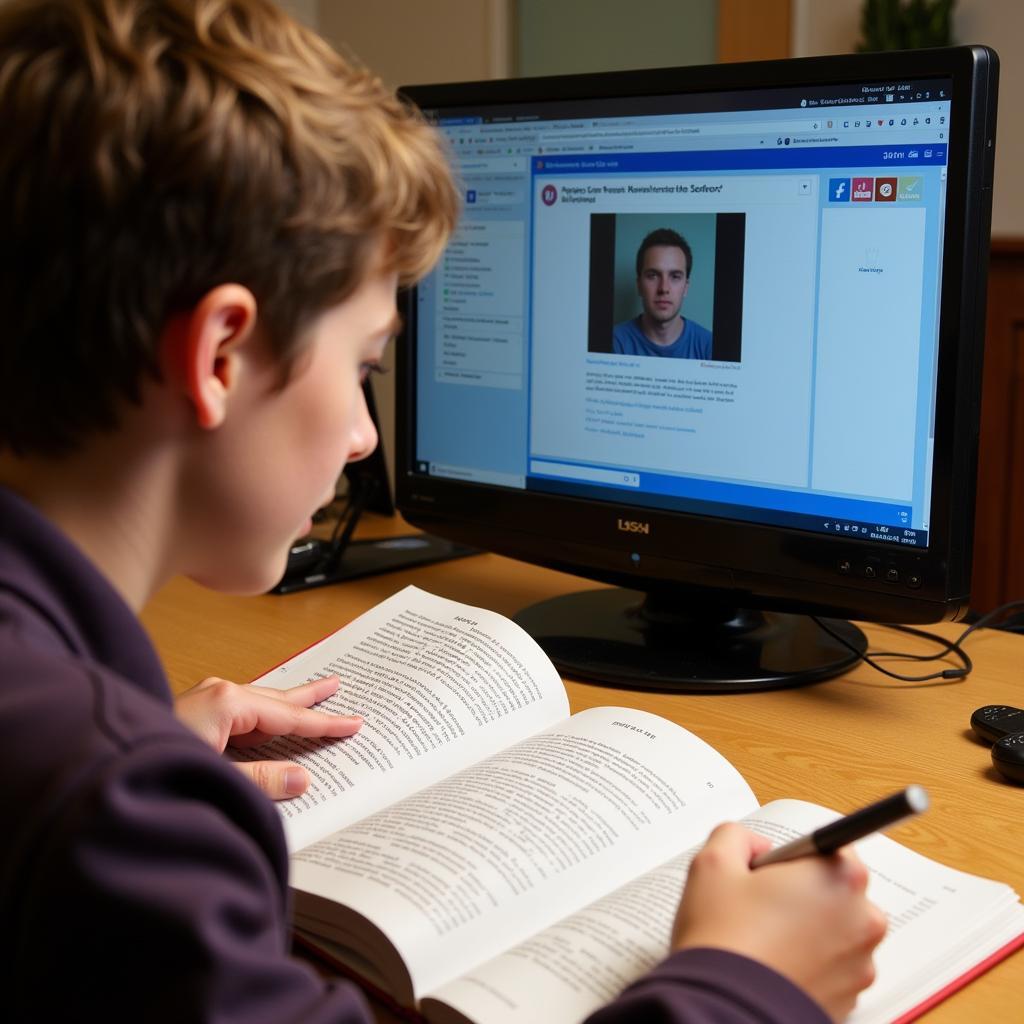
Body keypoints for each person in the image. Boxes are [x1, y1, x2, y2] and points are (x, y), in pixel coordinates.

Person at [0, 2, 885, 1022]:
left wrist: (129, 750)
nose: (365, 439)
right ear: (221, 356)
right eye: (364, 364)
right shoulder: (109, 810)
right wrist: (749, 982)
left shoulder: (70, 750)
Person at [613, 228, 714, 359]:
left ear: (686, 287)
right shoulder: (614, 343)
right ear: (639, 285)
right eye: (653, 275)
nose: (664, 288)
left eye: (675, 276)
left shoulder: (709, 346)